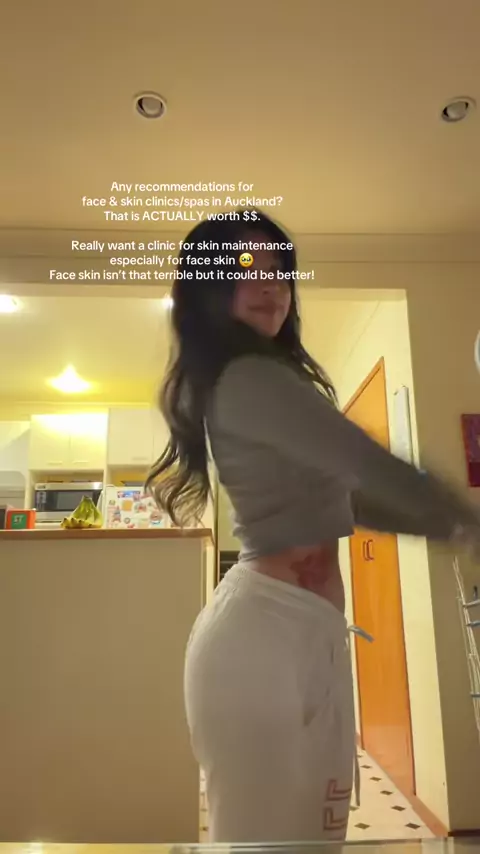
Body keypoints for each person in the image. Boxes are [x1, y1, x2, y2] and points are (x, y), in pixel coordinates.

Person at [146, 209, 480, 843]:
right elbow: (366, 460)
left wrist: (456, 529)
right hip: (260, 639)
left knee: (313, 835)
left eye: (281, 270)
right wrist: (464, 521)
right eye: (248, 266)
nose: (272, 285)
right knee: (270, 842)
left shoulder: (268, 381)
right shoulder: (247, 378)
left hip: (307, 632)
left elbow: (351, 499)